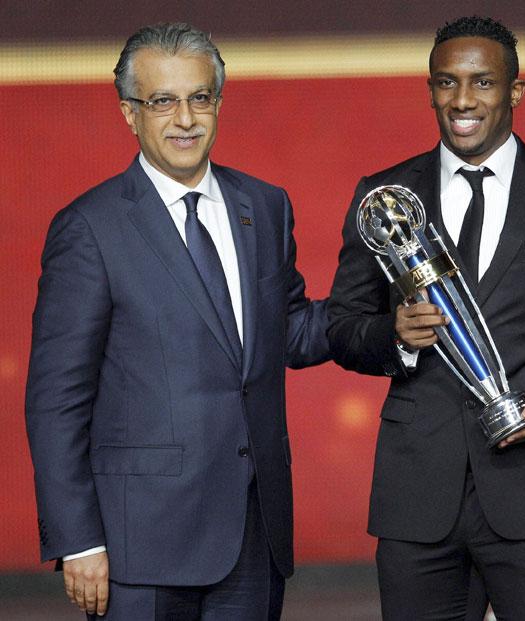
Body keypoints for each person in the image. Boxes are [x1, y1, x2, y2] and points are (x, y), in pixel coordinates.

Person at [327, 15, 525, 620]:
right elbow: (343, 326)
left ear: (515, 91)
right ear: (430, 90)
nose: (463, 101)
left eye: (482, 83)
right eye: (446, 83)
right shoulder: (387, 198)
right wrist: (391, 337)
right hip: (417, 500)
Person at [25, 22, 329, 620]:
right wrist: (78, 538)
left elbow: (289, 329)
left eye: (199, 97)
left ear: (218, 102)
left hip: (251, 532)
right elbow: (56, 398)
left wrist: (388, 324)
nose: (184, 118)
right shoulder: (89, 227)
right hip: (138, 548)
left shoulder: (264, 206)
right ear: (129, 114)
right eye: (162, 101)